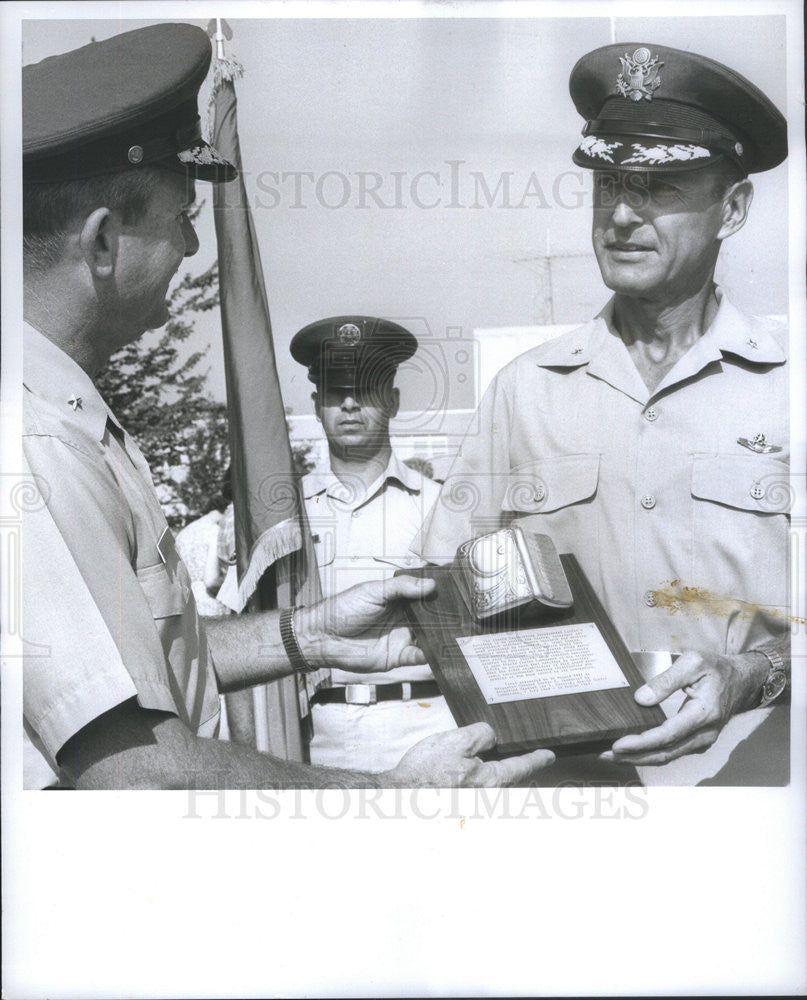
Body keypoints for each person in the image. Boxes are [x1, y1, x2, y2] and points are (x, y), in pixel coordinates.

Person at [21, 22, 555, 790]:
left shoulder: (63, 414)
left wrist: (313, 633)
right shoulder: (35, 436)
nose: (193, 252)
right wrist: (393, 801)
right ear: (103, 244)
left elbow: (140, 660)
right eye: (183, 222)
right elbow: (138, 772)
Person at [415, 42, 791, 786]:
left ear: (734, 208)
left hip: (759, 786)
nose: (620, 215)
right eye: (607, 185)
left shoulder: (792, 391)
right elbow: (441, 589)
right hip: (569, 791)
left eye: (660, 186)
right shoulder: (523, 391)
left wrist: (750, 674)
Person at [288, 316, 456, 771]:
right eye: (334, 391)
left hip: (423, 727)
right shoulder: (282, 517)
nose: (348, 404)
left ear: (394, 401)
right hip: (311, 737)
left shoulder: (442, 508)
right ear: (316, 404)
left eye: (365, 390)